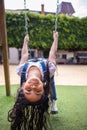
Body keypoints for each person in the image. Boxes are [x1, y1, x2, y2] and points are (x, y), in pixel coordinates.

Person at [8, 31, 58, 130]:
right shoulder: (50, 68)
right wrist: (55, 38)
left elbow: (24, 55)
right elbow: (52, 53)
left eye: (28, 90)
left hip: (36, 68)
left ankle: (52, 100)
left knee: (49, 82)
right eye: (38, 91)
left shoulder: (21, 70)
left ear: (22, 86)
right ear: (43, 89)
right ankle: (54, 100)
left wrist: (25, 42)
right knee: (51, 82)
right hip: (46, 74)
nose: (33, 87)